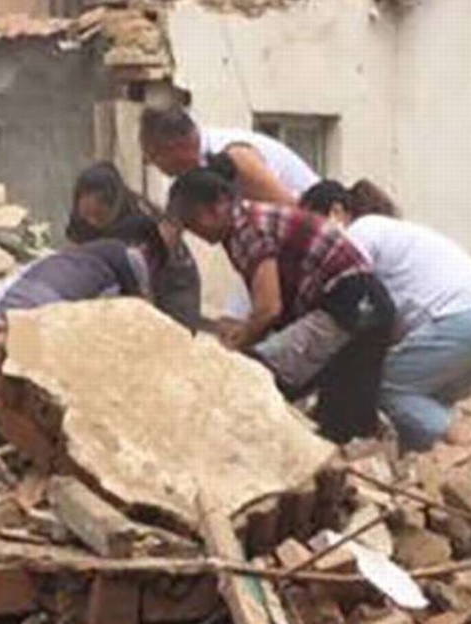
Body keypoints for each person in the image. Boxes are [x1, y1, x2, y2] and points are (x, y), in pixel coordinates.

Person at [166, 162, 396, 444]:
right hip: (359, 304)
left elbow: (268, 308)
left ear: (219, 205)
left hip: (350, 302)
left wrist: (233, 349)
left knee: (256, 376)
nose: (195, 233)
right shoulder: (243, 225)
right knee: (338, 415)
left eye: (194, 221)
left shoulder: (245, 227)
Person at [300, 180, 471, 451]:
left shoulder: (361, 231)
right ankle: (442, 470)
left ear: (337, 212)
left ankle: (470, 450)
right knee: (417, 407)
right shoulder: (392, 232)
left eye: (313, 227)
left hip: (457, 322)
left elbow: (347, 294)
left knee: (386, 388)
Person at [0, 223, 170, 449]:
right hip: (3, 348)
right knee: (47, 429)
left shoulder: (56, 261)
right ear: (147, 251)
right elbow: (145, 323)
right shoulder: (133, 257)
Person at [66, 161, 201, 330]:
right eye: (87, 216)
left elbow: (142, 290)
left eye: (99, 216)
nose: (92, 222)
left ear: (114, 206)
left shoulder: (141, 227)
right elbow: (73, 254)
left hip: (170, 291)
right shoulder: (82, 218)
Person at [140, 106, 320, 205]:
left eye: (154, 156)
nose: (153, 165)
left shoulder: (235, 158)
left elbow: (291, 209)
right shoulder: (200, 168)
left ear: (176, 148)